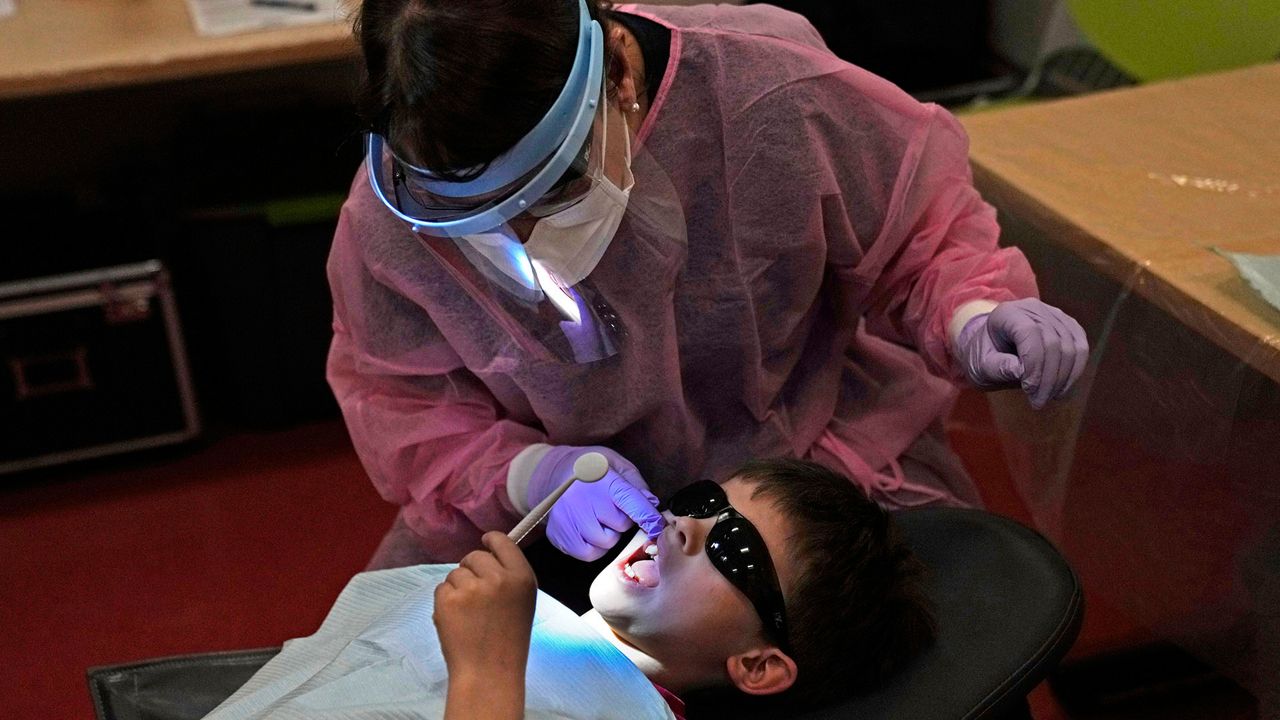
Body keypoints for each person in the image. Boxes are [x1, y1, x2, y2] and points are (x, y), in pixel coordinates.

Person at [329, 0, 1090, 567]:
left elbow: (917, 233)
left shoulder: (767, 93)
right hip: (556, 520)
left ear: (620, 72)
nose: (526, 240)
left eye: (551, 191)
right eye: (485, 219)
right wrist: (530, 475)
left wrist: (973, 312)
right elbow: (404, 404)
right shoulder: (398, 213)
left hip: (807, 469)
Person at [201, 459, 935, 719]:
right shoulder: (518, 614)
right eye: (705, 501)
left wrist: (486, 674)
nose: (682, 525)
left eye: (734, 545)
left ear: (760, 662)